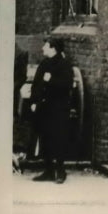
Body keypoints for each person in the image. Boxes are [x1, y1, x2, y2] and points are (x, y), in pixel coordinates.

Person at [29, 36, 74, 184]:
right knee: (45, 138)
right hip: (44, 107)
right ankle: (48, 170)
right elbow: (36, 84)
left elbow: (66, 85)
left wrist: (51, 80)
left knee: (58, 138)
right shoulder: (44, 63)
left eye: (46, 46)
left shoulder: (64, 64)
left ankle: (60, 171)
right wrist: (34, 101)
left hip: (58, 108)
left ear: (53, 48)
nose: (43, 48)